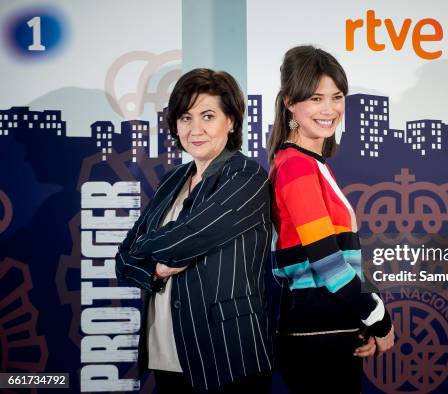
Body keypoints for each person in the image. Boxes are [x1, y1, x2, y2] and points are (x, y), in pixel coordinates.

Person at [115, 68, 273, 393]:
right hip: (166, 352)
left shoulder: (246, 176)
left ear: (231, 121)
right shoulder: (173, 179)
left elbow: (190, 237)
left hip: (227, 354)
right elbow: (123, 258)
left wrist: (148, 248)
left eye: (208, 116)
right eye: (186, 118)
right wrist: (156, 270)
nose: (195, 129)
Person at [267, 46, 395, 393]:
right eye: (315, 98)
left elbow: (342, 263)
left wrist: (364, 318)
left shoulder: (308, 163)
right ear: (290, 103)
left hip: (333, 332)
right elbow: (328, 263)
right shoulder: (296, 165)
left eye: (337, 97)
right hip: (317, 339)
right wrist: (379, 319)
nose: (329, 109)